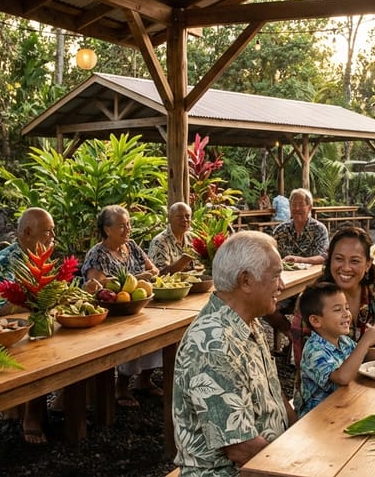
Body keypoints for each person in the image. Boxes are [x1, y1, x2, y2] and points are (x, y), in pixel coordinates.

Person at [172, 231, 296, 476]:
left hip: (268, 459)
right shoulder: (212, 345)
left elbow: (272, 391)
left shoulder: (246, 320)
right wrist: (297, 466)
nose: (282, 285)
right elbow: (242, 450)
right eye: (276, 276)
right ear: (246, 280)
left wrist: (298, 434)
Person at [0, 207, 55, 444]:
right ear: (26, 232)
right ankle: (31, 415)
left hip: (34, 326)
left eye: (53, 232)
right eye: (47, 232)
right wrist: (40, 306)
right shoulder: (2, 262)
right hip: (5, 334)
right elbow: (0, 309)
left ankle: (67, 401)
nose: (52, 238)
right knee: (41, 349)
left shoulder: (39, 257)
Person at [81, 205, 162, 408]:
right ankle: (121, 386)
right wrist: (136, 278)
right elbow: (97, 286)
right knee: (134, 336)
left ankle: (143, 380)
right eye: (122, 226)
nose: (128, 230)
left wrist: (146, 276)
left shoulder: (132, 246)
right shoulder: (97, 254)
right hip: (113, 314)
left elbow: (153, 269)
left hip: (139, 306)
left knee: (159, 331)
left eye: (128, 225)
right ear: (107, 229)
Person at [290, 227, 375, 369]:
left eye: (354, 261)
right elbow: (302, 361)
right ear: (330, 260)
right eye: (339, 259)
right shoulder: (310, 299)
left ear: (368, 264)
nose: (346, 268)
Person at [294, 282, 375, 417]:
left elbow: (365, 354)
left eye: (347, 308)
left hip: (344, 405)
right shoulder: (314, 351)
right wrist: (365, 341)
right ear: (315, 321)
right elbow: (342, 377)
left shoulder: (342, 339)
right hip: (318, 419)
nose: (346, 314)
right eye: (338, 310)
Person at [265, 188, 329, 344]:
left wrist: (301, 260)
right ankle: (292, 335)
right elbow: (271, 256)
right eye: (293, 204)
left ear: (310, 207)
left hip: (310, 286)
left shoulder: (319, 229)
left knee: (308, 307)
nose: (297, 208)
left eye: (301, 204)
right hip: (284, 284)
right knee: (266, 306)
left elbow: (324, 256)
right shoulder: (281, 230)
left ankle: (305, 340)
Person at [148, 201, 195, 275]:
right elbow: (159, 274)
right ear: (169, 218)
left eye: (187, 216)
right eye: (179, 216)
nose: (185, 220)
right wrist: (184, 260)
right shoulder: (160, 242)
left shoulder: (192, 237)